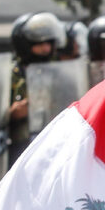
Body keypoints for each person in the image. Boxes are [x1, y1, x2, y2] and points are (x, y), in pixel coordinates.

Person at [7, 11, 67, 165]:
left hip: (55, 142)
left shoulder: (60, 73)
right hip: (21, 146)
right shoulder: (12, 75)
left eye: (48, 43)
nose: (46, 48)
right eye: (39, 44)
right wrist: (14, 112)